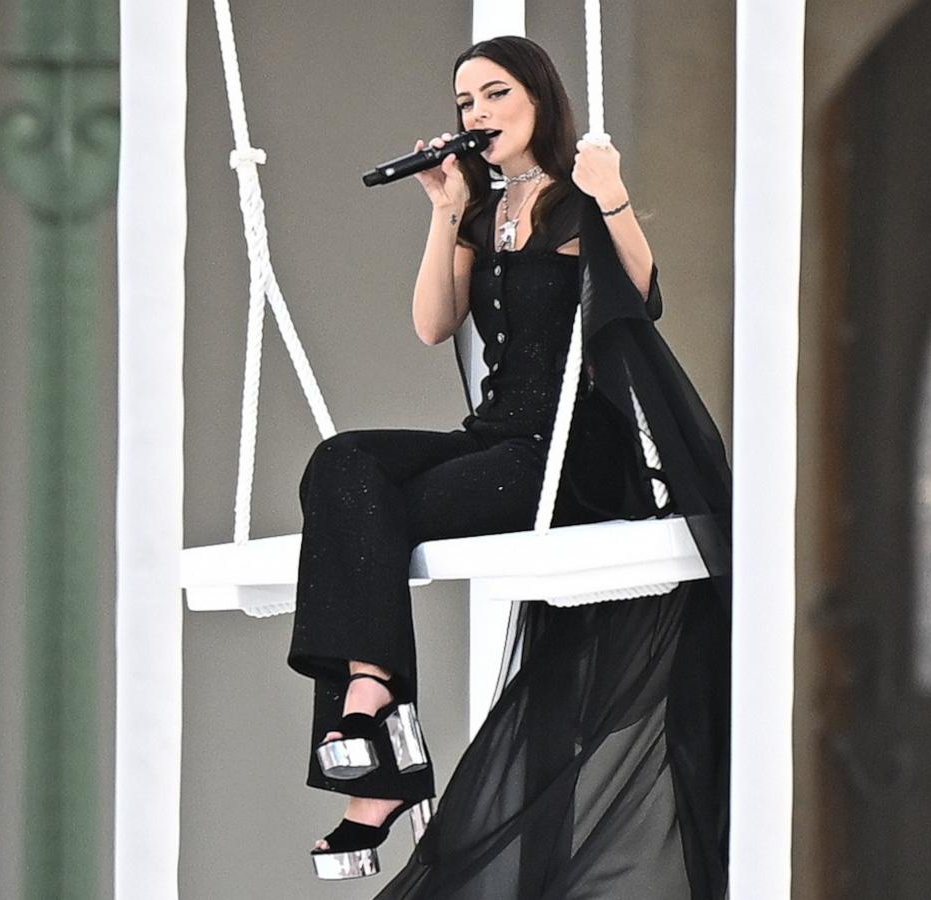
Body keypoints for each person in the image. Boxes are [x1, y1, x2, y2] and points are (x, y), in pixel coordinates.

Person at [287, 35, 733, 897]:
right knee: (341, 470)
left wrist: (615, 199)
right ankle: (371, 696)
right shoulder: (486, 209)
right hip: (495, 435)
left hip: (571, 459)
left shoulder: (576, 203)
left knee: (367, 524)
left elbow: (640, 300)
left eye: (494, 94)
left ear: (538, 101)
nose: (477, 115)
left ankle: (375, 774)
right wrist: (444, 206)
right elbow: (432, 323)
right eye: (464, 103)